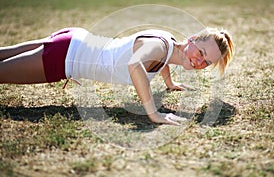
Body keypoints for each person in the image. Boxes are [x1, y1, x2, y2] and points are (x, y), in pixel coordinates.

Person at [0, 27, 234, 125]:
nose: (200, 61)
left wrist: (170, 83)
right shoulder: (160, 47)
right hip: (66, 57)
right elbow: (135, 64)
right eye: (201, 52)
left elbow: (161, 60)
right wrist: (153, 113)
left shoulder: (170, 45)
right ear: (192, 38)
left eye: (207, 62)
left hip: (74, 39)